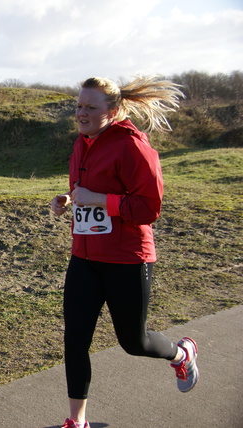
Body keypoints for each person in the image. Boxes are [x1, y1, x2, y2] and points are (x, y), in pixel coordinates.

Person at [50, 75, 199, 428]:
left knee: (133, 341)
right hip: (84, 257)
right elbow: (85, 190)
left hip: (127, 259)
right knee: (75, 340)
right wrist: (68, 200)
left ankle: (182, 354)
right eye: (78, 105)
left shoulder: (133, 147)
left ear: (113, 111)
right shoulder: (81, 143)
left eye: (90, 107)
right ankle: (78, 421)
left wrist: (100, 200)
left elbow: (149, 208)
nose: (81, 113)